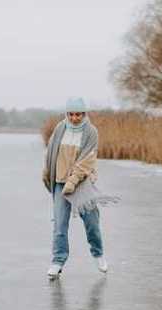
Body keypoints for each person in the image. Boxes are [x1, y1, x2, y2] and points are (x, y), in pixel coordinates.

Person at [42, 97, 108, 280]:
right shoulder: (60, 128)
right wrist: (47, 172)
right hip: (60, 182)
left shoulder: (91, 132)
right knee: (59, 225)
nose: (75, 118)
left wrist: (73, 182)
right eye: (71, 114)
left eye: (78, 114)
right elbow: (51, 152)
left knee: (92, 222)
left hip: (82, 183)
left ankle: (98, 253)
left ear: (84, 113)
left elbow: (87, 161)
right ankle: (58, 261)